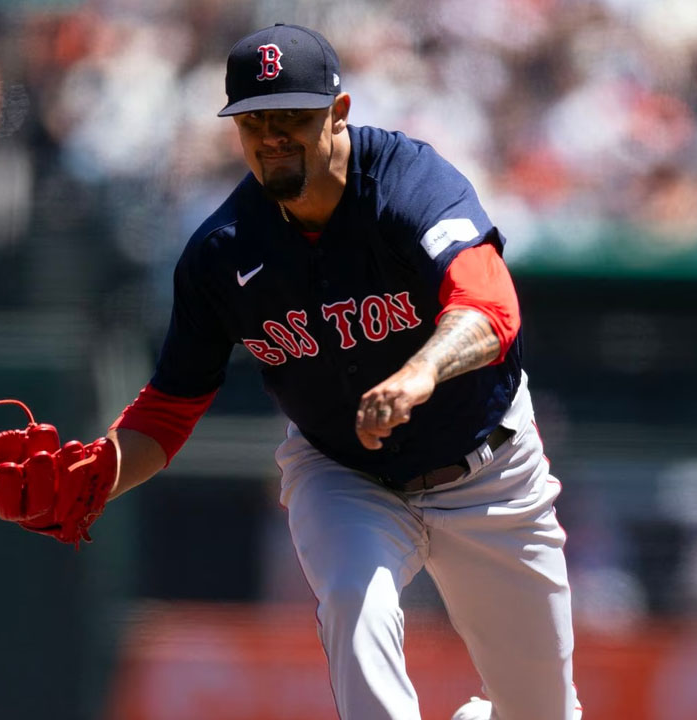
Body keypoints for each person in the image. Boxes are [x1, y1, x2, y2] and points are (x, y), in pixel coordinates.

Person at [33, 23, 580, 720]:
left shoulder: (410, 185)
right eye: (255, 121)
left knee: (542, 713)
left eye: (292, 117)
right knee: (356, 601)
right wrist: (97, 474)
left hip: (488, 473)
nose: (273, 137)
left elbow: (492, 305)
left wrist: (419, 374)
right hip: (343, 475)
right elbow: (170, 405)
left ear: (340, 112)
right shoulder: (222, 252)